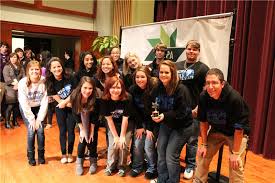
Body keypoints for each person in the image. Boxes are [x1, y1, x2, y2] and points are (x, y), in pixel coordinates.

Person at [193, 68, 250, 183]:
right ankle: (198, 181)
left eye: (214, 83)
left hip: (236, 133)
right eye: (208, 83)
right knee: (202, 156)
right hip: (217, 131)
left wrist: (235, 153)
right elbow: (203, 122)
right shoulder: (204, 97)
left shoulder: (234, 98)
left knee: (235, 163)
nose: (210, 86)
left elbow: (239, 129)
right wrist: (203, 144)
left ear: (222, 84)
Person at [151, 60, 193, 183]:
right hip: (166, 124)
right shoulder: (158, 87)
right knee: (161, 151)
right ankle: (162, 179)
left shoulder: (181, 89)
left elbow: (183, 113)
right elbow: (153, 104)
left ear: (173, 73)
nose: (163, 75)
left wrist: (164, 116)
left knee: (171, 155)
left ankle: (172, 181)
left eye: (166, 72)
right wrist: (155, 114)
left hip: (182, 127)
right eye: (161, 72)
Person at [175, 40, 209, 179]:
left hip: (194, 110)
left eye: (194, 50)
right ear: (186, 50)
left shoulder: (203, 68)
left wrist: (199, 107)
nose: (191, 51)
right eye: (189, 49)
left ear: (198, 52)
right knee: (175, 138)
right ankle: (174, 163)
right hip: (177, 109)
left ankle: (190, 165)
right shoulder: (177, 65)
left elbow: (206, 90)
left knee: (192, 140)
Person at [129, 66, 158, 180]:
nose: (139, 79)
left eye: (142, 77)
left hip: (153, 122)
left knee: (148, 145)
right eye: (137, 77)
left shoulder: (154, 89)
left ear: (148, 77)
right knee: (137, 144)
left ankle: (152, 168)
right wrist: (140, 126)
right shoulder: (132, 89)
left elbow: (155, 110)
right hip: (140, 121)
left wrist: (150, 128)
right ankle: (137, 166)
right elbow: (134, 110)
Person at [100, 76, 134, 177]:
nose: (115, 90)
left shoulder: (127, 98)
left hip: (126, 123)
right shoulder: (104, 100)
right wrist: (116, 136)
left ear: (122, 88)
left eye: (118, 87)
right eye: (113, 87)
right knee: (113, 145)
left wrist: (122, 136)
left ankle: (122, 166)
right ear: (108, 88)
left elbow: (125, 119)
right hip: (112, 124)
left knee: (123, 145)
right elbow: (109, 120)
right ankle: (110, 166)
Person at [45, 57, 77, 164]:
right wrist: (63, 103)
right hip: (60, 108)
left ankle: (70, 154)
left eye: (58, 66)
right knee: (62, 131)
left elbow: (75, 91)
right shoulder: (49, 81)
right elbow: (55, 97)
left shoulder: (70, 76)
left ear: (62, 67)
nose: (57, 69)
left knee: (71, 130)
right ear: (50, 69)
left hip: (71, 106)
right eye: (54, 67)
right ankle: (63, 154)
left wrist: (65, 102)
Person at [18, 60, 48, 166]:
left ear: (40, 70)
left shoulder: (44, 81)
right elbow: (24, 103)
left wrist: (39, 119)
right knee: (31, 131)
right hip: (27, 109)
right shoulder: (22, 83)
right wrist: (31, 119)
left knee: (40, 131)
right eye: (32, 69)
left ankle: (41, 156)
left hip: (39, 108)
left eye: (37, 69)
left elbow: (45, 101)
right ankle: (30, 156)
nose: (35, 71)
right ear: (28, 71)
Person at [70, 76, 100, 175]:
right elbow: (75, 113)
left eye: (90, 88)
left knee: (92, 140)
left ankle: (93, 160)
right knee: (82, 140)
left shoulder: (95, 98)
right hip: (80, 120)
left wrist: (91, 131)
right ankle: (79, 162)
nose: (87, 91)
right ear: (80, 87)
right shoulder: (74, 96)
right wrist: (82, 129)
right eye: (85, 88)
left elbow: (95, 116)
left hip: (92, 121)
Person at [3, 53, 24, 128]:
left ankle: (14, 121)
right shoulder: (7, 67)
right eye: (11, 57)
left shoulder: (20, 67)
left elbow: (24, 76)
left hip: (19, 87)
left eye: (15, 57)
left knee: (16, 106)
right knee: (10, 105)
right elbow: (7, 78)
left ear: (17, 58)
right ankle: (7, 123)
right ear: (9, 58)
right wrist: (15, 84)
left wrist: (19, 85)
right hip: (10, 88)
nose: (13, 59)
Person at [0, 41, 9, 122]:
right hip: (0, 81)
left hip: (7, 82)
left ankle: (5, 116)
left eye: (6, 47)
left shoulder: (8, 57)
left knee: (6, 100)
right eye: (3, 47)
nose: (4, 48)